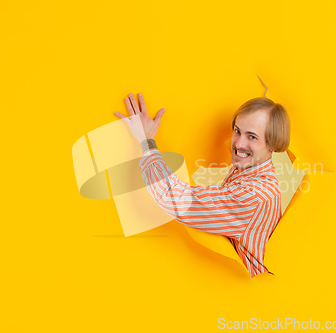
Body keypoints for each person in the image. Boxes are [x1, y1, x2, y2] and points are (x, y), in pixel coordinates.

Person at [114, 92, 290, 278]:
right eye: (237, 131)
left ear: (272, 144)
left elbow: (177, 200)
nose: (238, 143)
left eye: (252, 137)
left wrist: (146, 140)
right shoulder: (250, 169)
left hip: (251, 296)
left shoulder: (253, 195)